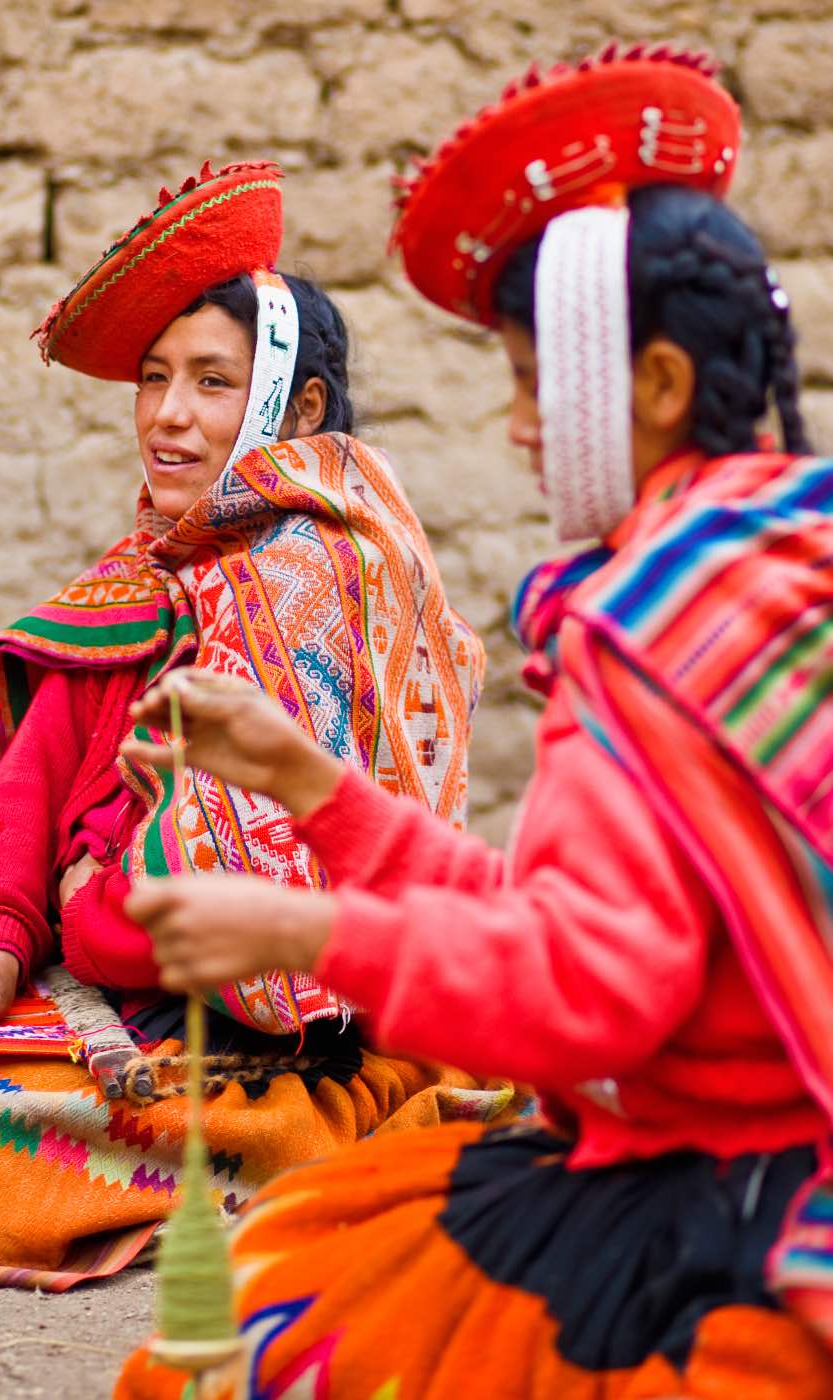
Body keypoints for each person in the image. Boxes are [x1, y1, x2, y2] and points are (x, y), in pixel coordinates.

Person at [115, 48, 833, 1400]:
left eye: (524, 382)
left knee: (257, 1328)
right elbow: (588, 907)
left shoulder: (652, 638)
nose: (513, 428)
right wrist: (314, 788)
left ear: (661, 387)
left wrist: (301, 930)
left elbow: (591, 987)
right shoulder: (776, 567)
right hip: (755, 1144)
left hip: (720, 1210)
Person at [0, 161, 503, 1274]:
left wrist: (86, 909)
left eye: (210, 381)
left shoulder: (322, 579)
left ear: (292, 408)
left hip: (270, 1039)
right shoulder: (145, 574)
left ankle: (274, 1145)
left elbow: (244, 906)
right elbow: (35, 784)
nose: (168, 415)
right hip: (95, 992)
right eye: (155, 378)